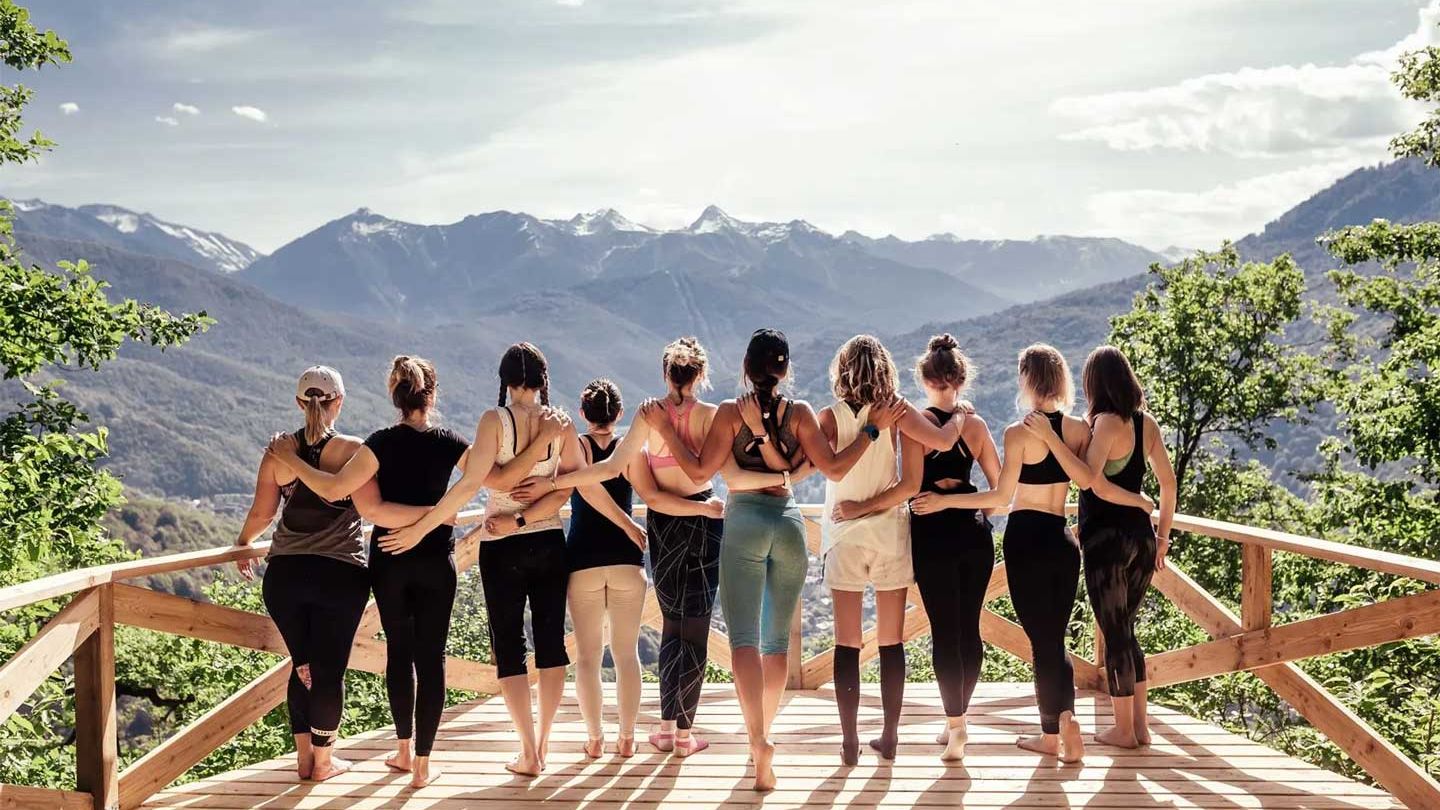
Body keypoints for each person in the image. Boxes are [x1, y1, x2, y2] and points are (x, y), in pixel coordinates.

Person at [638, 328, 909, 791]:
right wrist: (870, 431)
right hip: (787, 525)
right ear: (785, 372)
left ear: (746, 367)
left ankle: (757, 739)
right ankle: (763, 731)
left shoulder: (729, 413)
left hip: (744, 523)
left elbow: (700, 471)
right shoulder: (799, 413)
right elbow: (834, 468)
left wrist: (665, 429)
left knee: (744, 641)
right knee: (776, 645)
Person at [270, 357, 535, 788]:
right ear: (432, 395)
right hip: (436, 560)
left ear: (394, 395)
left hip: (389, 560)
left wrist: (292, 460)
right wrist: (546, 441)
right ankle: (424, 767)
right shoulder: (449, 442)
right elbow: (500, 479)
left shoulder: (379, 444)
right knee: (431, 659)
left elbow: (337, 491)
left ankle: (403, 751)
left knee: (398, 653)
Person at [515, 337, 777, 758]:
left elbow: (611, 469)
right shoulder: (714, 415)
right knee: (695, 631)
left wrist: (554, 482)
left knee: (671, 627)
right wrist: (782, 479)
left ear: (664, 373)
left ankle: (663, 728)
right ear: (701, 375)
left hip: (663, 527)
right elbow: (716, 473)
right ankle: (683, 735)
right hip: (705, 522)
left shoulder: (649, 415)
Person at [925, 344, 1149, 763]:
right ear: (1061, 379)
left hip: (1026, 540)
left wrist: (944, 502)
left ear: (1027, 380)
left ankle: (1055, 731)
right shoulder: (1079, 430)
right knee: (1055, 640)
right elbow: (1087, 480)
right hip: (1062, 540)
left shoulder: (1017, 432)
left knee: (1041, 642)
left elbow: (1001, 497)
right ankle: (1062, 725)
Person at [375, 342, 582, 778]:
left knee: (509, 647)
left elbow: (482, 482)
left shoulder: (494, 420)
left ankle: (528, 750)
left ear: (505, 381)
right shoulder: (560, 423)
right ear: (542, 380)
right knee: (551, 644)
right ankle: (544, 743)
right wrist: (530, 510)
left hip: (500, 543)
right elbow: (567, 488)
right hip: (548, 540)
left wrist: (423, 527)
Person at [235, 366, 433, 782]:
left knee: (301, 664)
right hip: (339, 575)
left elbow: (262, 513)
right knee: (328, 670)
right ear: (338, 402)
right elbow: (373, 509)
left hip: (285, 576)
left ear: (298, 403)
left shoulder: (279, 451)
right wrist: (434, 515)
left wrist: (242, 542)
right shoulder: (353, 450)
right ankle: (324, 763)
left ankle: (303, 759)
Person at [1037, 346, 1175, 749]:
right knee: (1126, 631)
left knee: (1115, 634)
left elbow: (1090, 481)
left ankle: (1124, 731)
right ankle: (1141, 727)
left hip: (1107, 541)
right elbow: (1168, 484)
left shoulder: (1106, 424)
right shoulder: (1146, 423)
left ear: (1094, 384)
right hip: (1143, 540)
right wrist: (1162, 536)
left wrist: (1050, 436)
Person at [819, 335, 924, 765]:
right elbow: (911, 484)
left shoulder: (829, 417)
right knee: (890, 642)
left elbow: (823, 467)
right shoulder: (899, 413)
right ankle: (890, 736)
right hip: (889, 534)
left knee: (846, 643)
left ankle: (849, 741)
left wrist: (855, 508)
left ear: (841, 369)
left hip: (843, 535)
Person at [903, 334, 1001, 762]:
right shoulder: (975, 426)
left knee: (944, 632)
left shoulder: (915, 424)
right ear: (961, 379)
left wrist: (940, 502)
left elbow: (907, 485)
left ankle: (956, 725)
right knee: (968, 629)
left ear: (924, 379)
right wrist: (968, 507)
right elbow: (1000, 492)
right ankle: (956, 719)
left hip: (932, 535)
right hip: (973, 533)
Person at [563, 379, 649, 759]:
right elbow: (647, 490)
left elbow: (582, 488)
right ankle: (627, 739)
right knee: (627, 654)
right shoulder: (628, 450)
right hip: (626, 559)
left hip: (582, 559)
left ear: (583, 413)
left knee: (588, 657)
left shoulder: (576, 448)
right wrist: (629, 525)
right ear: (619, 414)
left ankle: (595, 739)